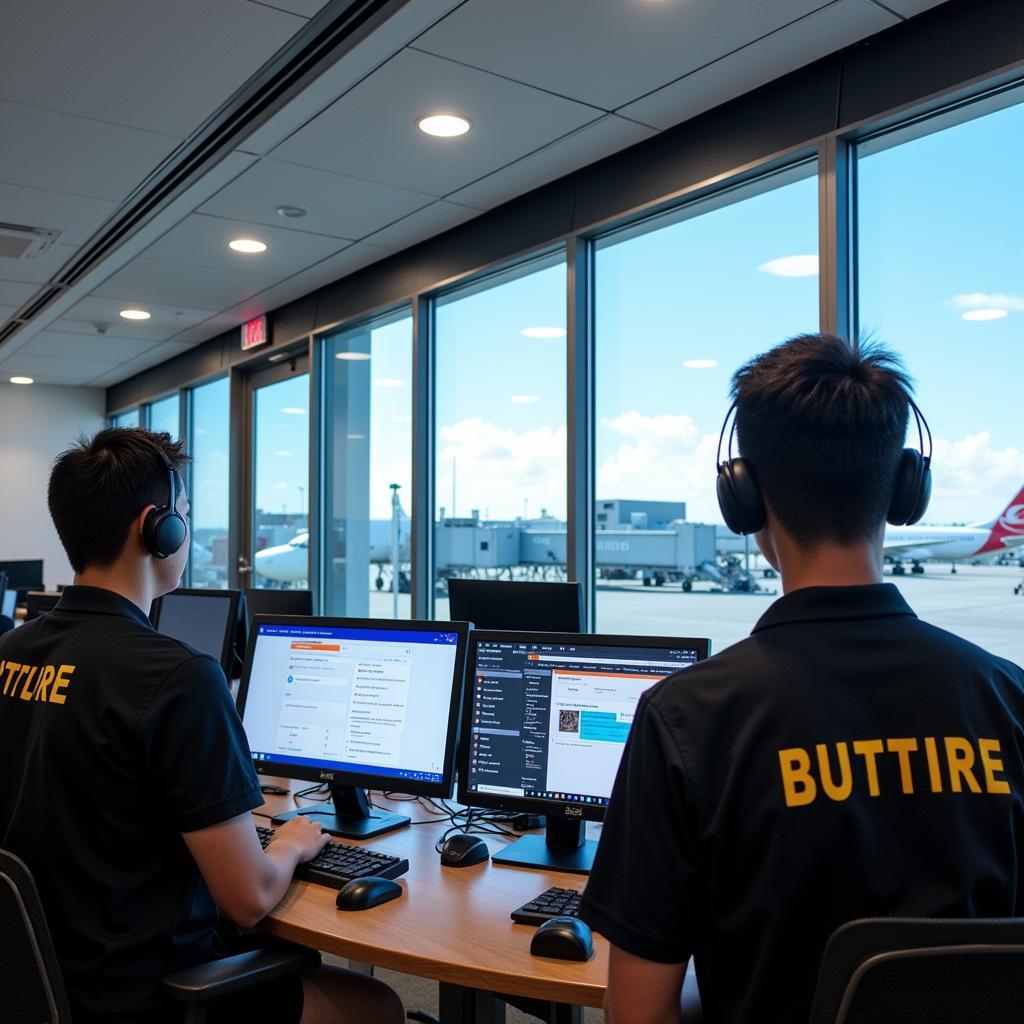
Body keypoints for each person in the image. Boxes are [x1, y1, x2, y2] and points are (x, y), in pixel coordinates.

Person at [579, 334, 1024, 1024]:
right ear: (905, 487)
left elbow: (637, 1015)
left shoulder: (687, 719)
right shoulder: (1010, 699)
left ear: (747, 500)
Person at [0, 428, 404, 1024]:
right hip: (146, 995)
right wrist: (289, 844)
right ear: (157, 528)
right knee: (375, 1004)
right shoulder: (178, 678)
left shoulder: (10, 651)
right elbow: (248, 899)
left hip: (40, 982)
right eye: (184, 516)